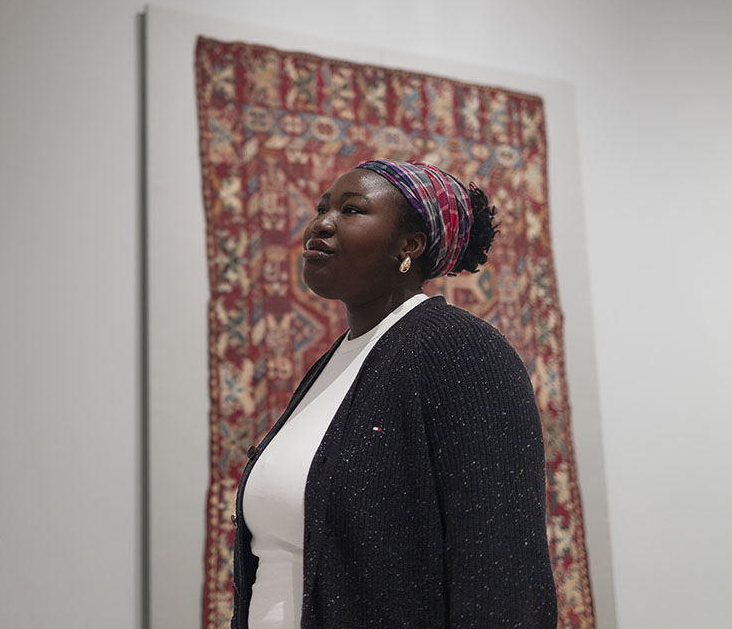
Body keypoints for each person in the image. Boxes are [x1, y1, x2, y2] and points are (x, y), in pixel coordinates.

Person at [229, 159, 559, 629]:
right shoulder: (331, 366)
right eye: (322, 208)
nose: (320, 223)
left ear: (409, 245)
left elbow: (503, 570)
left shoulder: (460, 347)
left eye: (351, 210)